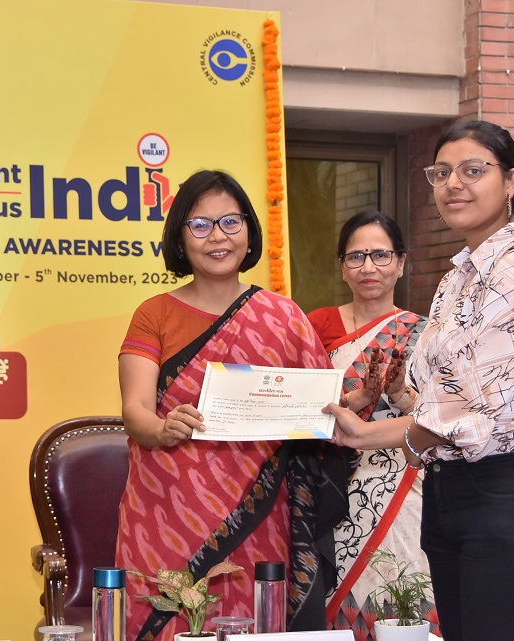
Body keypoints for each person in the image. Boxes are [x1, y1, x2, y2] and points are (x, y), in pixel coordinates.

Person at [325, 120, 514, 641]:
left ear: (510, 181)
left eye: (473, 170)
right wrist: (391, 404)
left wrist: (366, 434)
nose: (453, 184)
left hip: (511, 493)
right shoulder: (457, 278)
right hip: (452, 492)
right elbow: (439, 398)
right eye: (442, 173)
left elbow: (468, 414)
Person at [117, 169, 352, 641]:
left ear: (249, 231)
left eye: (230, 222)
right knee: (168, 622)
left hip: (260, 512)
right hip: (167, 508)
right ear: (180, 238)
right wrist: (162, 428)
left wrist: (351, 402)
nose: (217, 236)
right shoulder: (153, 314)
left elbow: (314, 409)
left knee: (254, 622)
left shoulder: (285, 317)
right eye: (200, 225)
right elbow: (135, 410)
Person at [306, 211, 434, 640]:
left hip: (402, 491)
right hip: (332, 491)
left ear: (400, 262)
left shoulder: (425, 335)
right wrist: (353, 401)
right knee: (338, 607)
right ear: (342, 266)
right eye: (356, 256)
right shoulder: (315, 327)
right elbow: (299, 407)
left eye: (381, 255)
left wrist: (398, 393)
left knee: (403, 599)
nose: (369, 267)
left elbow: (438, 418)